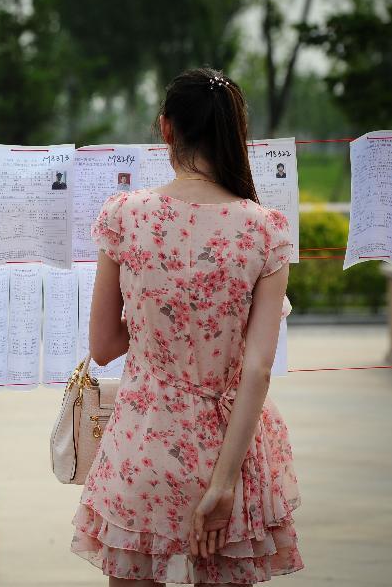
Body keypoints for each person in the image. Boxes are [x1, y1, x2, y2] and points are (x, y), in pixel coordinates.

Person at [71, 68, 303, 586]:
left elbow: (104, 346)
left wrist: (159, 315)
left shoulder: (126, 216)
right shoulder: (265, 230)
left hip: (144, 446)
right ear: (233, 133)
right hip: (232, 452)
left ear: (166, 130)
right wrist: (222, 484)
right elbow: (259, 368)